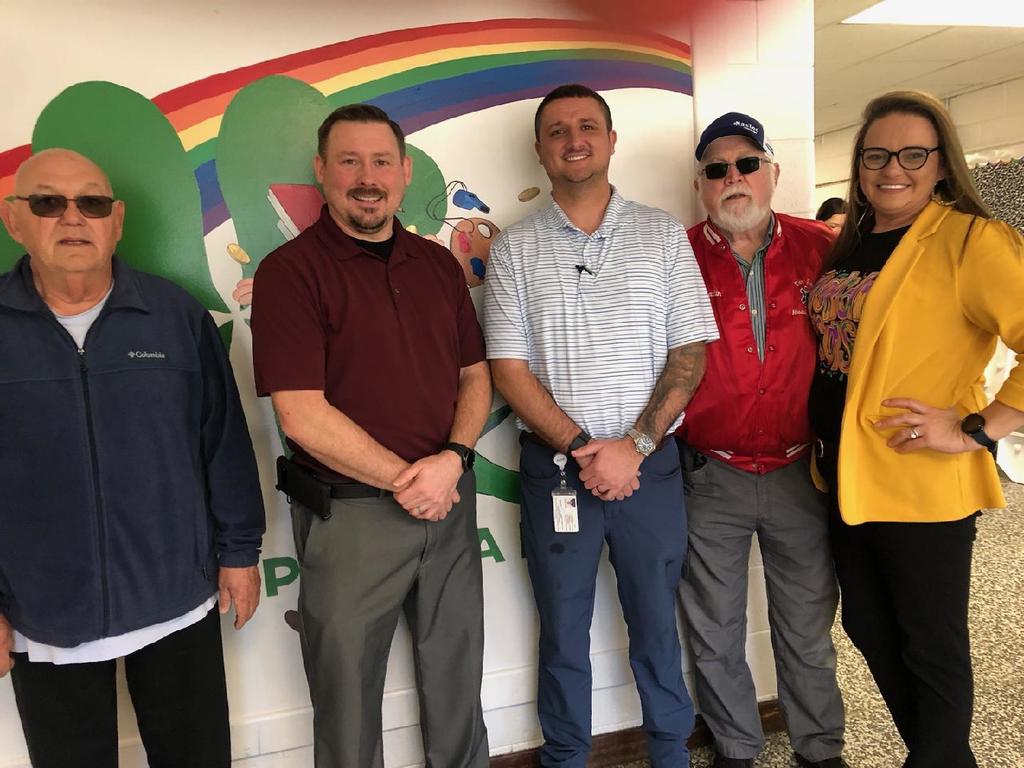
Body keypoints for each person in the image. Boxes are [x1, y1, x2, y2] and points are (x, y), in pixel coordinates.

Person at [0, 149, 265, 768]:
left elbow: (222, 442)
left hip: (177, 599)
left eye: (91, 203)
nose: (73, 218)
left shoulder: (175, 317)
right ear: (15, 220)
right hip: (45, 613)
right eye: (48, 202)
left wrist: (240, 552)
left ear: (116, 220)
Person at [483, 83, 719, 768]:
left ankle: (671, 752)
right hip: (558, 474)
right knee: (561, 633)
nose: (573, 139)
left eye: (588, 126)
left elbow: (690, 353)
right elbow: (508, 368)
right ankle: (564, 757)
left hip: (650, 471)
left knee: (655, 625)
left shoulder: (661, 235)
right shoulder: (513, 250)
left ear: (612, 141)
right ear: (539, 149)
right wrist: (590, 450)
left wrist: (635, 446)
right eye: (557, 130)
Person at [251, 104, 491, 768]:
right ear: (322, 171)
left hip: (448, 506)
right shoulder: (289, 273)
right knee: (347, 704)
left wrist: (453, 459)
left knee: (456, 685)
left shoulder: (438, 268)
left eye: (381, 161)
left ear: (405, 172)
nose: (367, 177)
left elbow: (475, 377)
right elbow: (300, 413)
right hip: (353, 518)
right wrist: (410, 482)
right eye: (350, 161)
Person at [807, 90, 1024, 768]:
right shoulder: (856, 240)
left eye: (911, 153)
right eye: (876, 153)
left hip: (920, 476)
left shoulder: (970, 239)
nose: (891, 167)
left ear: (940, 164)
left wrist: (976, 430)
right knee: (869, 625)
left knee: (930, 642)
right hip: (844, 470)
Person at [676, 112, 847, 768]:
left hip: (801, 473)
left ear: (773, 172)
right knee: (714, 630)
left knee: (805, 628)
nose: (734, 178)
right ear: (701, 186)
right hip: (708, 474)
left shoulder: (824, 248)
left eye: (747, 163)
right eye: (717, 170)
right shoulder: (675, 253)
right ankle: (737, 751)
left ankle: (820, 751)